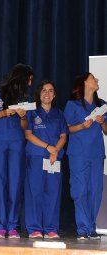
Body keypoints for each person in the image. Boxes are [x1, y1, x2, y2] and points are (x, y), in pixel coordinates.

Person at [0, 64, 33, 239]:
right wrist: (5, 112)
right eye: (29, 79)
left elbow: (25, 126)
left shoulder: (26, 98)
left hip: (16, 143)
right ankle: (0, 225)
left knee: (15, 183)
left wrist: (22, 116)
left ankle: (13, 226)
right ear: (21, 78)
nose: (30, 83)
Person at [64, 72, 107, 240]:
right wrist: (82, 125)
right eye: (92, 78)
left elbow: (106, 131)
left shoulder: (102, 105)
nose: (96, 80)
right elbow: (66, 129)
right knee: (80, 190)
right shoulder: (72, 105)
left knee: (96, 190)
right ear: (83, 83)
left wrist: (102, 122)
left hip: (96, 154)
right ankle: (82, 228)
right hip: (78, 154)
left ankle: (91, 227)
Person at [24, 81, 67, 239]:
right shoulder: (32, 112)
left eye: (50, 91)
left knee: (53, 193)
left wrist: (55, 150)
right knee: (35, 192)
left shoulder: (59, 113)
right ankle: (34, 228)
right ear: (39, 93)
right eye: (43, 90)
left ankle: (51, 228)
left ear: (54, 95)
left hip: (54, 159)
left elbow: (63, 135)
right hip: (36, 157)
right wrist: (48, 147)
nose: (47, 94)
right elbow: (28, 134)